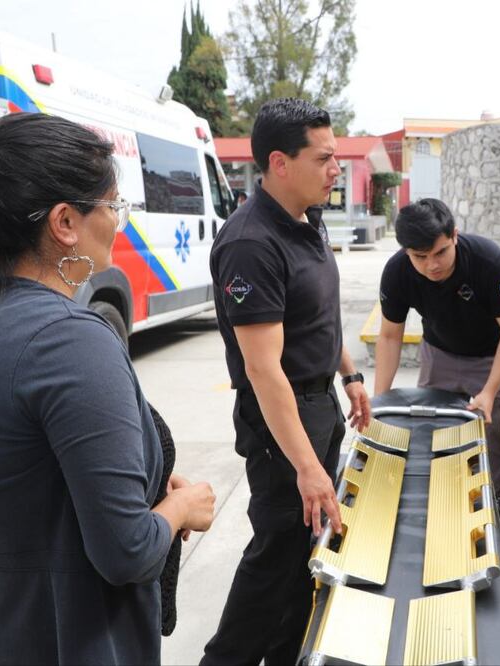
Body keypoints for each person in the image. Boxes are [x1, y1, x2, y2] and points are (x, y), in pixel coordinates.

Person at [0, 113, 216, 664]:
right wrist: (181, 507)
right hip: (74, 640)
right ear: (65, 221)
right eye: (113, 206)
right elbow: (127, 553)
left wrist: (147, 483)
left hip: (4, 631)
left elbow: (33, 482)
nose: (119, 222)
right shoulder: (68, 340)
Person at [202, 98, 371, 666]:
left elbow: (319, 316)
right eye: (323, 158)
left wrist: (350, 376)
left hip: (320, 404)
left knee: (310, 553)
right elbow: (263, 367)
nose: (335, 169)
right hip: (282, 425)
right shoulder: (252, 244)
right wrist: (306, 467)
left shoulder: (308, 220)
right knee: (275, 557)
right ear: (280, 162)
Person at [376, 198, 500, 493]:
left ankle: (496, 502)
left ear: (454, 235)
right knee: (433, 432)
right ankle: (445, 496)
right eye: (419, 256)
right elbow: (390, 336)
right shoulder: (397, 272)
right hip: (440, 354)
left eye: (440, 252)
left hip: (493, 355)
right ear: (406, 251)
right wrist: (379, 401)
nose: (432, 265)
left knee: (496, 441)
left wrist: (490, 391)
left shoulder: (489, 262)